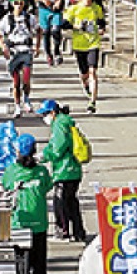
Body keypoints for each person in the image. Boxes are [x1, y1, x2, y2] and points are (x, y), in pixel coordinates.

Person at [0, 134, 51, 274]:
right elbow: (47, 187)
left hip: (19, 221)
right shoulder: (41, 171)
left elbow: (5, 187)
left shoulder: (11, 171)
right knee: (39, 254)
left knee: (21, 256)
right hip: (39, 220)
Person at [38, 101, 85, 242]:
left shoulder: (59, 125)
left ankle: (62, 231)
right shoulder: (66, 122)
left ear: (53, 112)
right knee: (71, 202)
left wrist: (44, 156)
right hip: (73, 170)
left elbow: (58, 148)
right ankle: (78, 231)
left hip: (65, 170)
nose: (44, 117)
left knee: (60, 202)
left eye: (45, 114)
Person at [61, 0, 104, 114]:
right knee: (84, 74)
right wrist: (76, 26)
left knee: (93, 72)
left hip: (93, 44)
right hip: (79, 44)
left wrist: (101, 28)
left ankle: (92, 102)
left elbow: (101, 22)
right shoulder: (74, 9)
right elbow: (63, 24)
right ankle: (86, 86)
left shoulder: (96, 8)